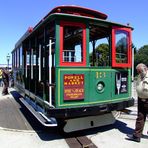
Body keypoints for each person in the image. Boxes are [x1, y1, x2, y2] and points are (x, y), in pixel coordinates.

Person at [126, 63, 148, 142]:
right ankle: (137, 136)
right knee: (140, 117)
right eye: (138, 71)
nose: (139, 73)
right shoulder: (140, 76)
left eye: (140, 71)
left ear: (145, 69)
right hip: (141, 99)